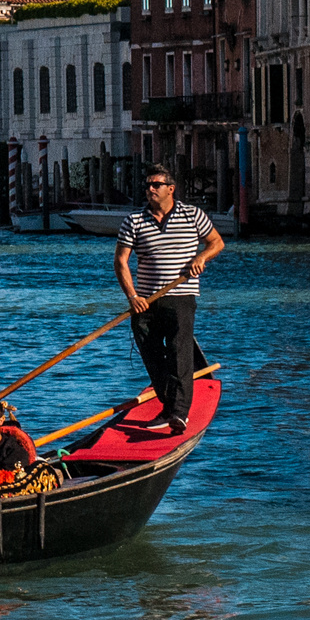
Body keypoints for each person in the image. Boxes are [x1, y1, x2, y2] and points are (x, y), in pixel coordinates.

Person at [114, 165, 223, 435]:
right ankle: (168, 405)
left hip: (180, 297)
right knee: (151, 355)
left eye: (156, 185)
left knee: (179, 353)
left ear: (170, 189)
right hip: (146, 301)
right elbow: (120, 261)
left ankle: (179, 413)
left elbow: (217, 243)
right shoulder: (134, 221)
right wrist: (133, 296)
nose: (150, 189)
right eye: (148, 184)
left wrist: (201, 258)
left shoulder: (192, 215)